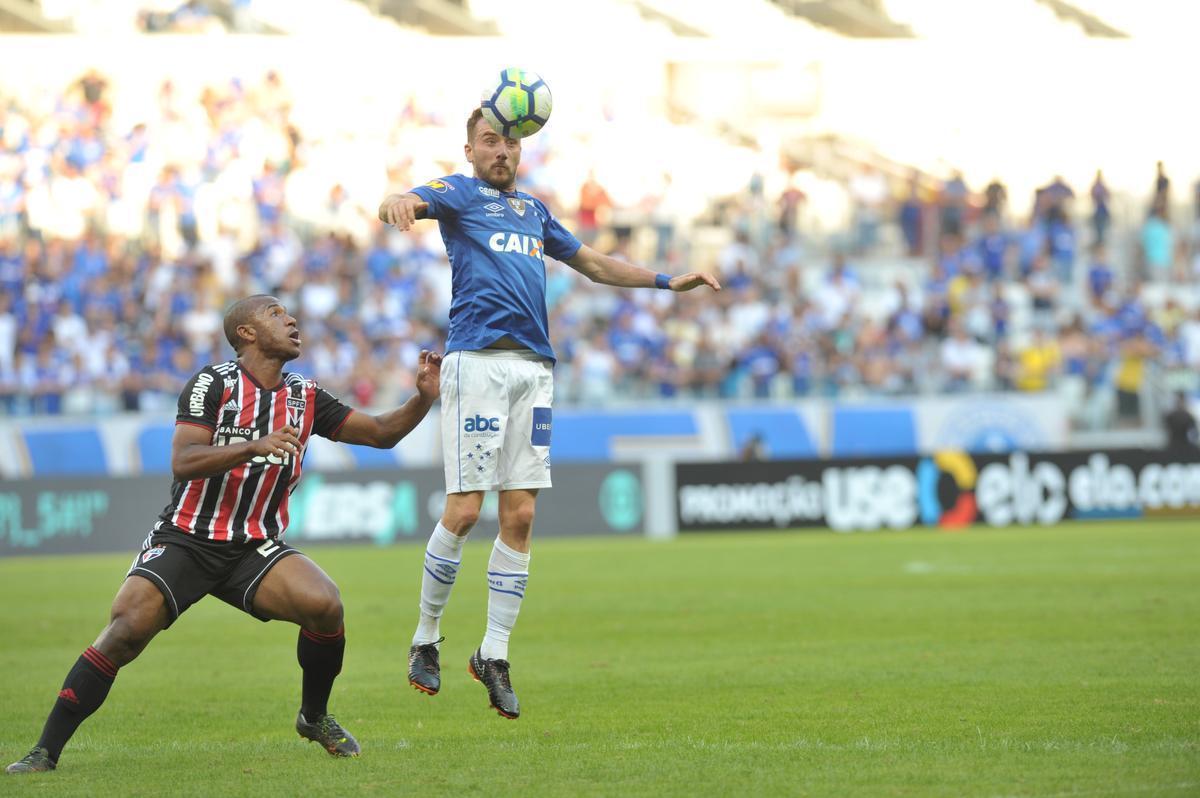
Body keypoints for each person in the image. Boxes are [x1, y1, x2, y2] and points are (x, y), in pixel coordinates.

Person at [377, 108, 721, 719]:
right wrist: (397, 201)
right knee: (464, 510)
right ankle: (426, 637)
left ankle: (494, 654)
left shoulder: (534, 212)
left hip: (534, 369)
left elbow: (593, 263)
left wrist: (667, 282)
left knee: (523, 514)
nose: (501, 150)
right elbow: (408, 200)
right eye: (490, 141)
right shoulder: (457, 193)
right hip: (477, 362)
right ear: (470, 148)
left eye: (510, 141)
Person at [6, 294, 442, 774]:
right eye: (275, 314)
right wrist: (254, 446)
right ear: (246, 333)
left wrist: (421, 398)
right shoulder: (214, 383)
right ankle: (45, 750)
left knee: (325, 605)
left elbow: (381, 433)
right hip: (188, 538)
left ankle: (313, 716)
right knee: (125, 630)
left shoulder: (305, 395)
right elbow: (184, 460)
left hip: (253, 546)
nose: (291, 319)